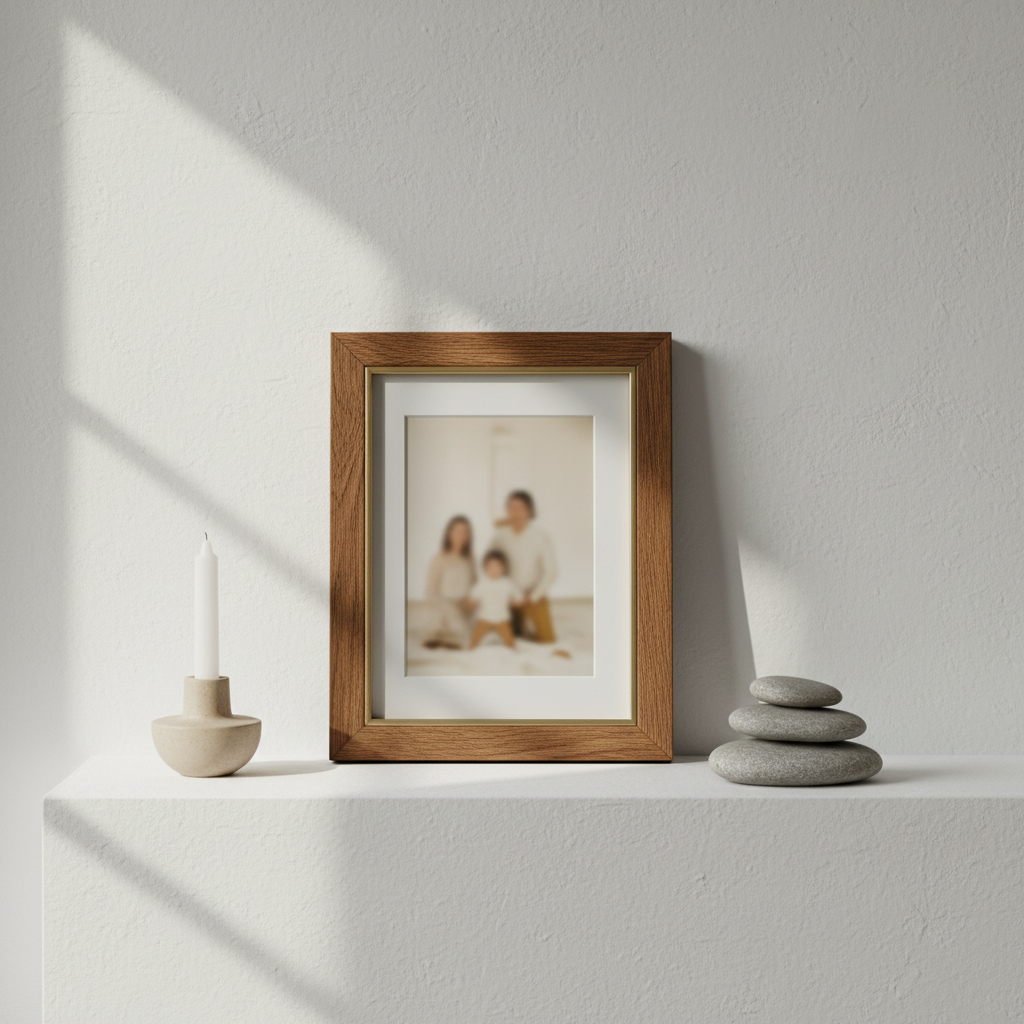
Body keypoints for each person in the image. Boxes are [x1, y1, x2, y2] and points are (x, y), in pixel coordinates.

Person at [489, 490, 558, 643]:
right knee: (505, 636)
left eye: (520, 508)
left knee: (547, 640)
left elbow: (551, 572)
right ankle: (517, 622)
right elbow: (488, 564)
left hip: (532, 596)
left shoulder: (541, 536)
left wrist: (532, 597)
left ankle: (526, 618)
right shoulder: (500, 536)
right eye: (511, 508)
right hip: (508, 596)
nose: (515, 512)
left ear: (530, 511)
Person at [422, 515, 476, 649]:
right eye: (458, 531)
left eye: (466, 532)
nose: (462, 536)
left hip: (463, 608)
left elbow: (475, 587)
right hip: (442, 605)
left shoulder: (470, 560)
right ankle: (438, 638)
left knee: (465, 628)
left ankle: (452, 639)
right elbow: (430, 592)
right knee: (440, 623)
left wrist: (470, 601)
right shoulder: (439, 558)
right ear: (449, 534)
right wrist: (448, 607)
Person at [466, 550, 524, 649]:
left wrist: (517, 601)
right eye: (490, 567)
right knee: (475, 638)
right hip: (484, 617)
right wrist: (471, 602)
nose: (494, 570)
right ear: (484, 568)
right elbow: (472, 597)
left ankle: (513, 652)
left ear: (503, 568)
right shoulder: (482, 584)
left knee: (509, 640)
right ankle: (470, 650)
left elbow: (519, 596)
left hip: (502, 617)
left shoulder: (507, 583)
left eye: (497, 566)